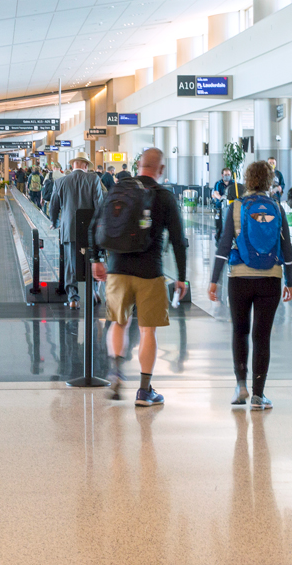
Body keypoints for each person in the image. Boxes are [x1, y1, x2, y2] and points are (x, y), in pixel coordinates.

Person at [90, 148, 187, 406]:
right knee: (147, 331)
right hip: (150, 272)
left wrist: (96, 260)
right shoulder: (164, 197)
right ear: (161, 170)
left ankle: (115, 371)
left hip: (117, 268)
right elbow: (178, 240)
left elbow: (94, 225)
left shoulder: (119, 189)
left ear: (137, 165)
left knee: (118, 323)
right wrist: (182, 278)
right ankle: (144, 391)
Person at [208, 160, 292, 409]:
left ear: (247, 180)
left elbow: (223, 247)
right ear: (269, 181)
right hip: (271, 279)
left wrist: (214, 280)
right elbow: (287, 247)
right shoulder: (277, 207)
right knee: (262, 336)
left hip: (239, 279)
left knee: (240, 331)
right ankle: (259, 394)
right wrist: (288, 278)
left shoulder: (235, 207)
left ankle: (240, 386)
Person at [49, 156, 106, 307]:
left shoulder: (60, 181)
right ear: (85, 165)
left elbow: (54, 206)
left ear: (73, 165)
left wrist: (54, 222)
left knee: (70, 263)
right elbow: (99, 205)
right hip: (90, 230)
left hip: (69, 229)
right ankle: (93, 291)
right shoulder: (93, 179)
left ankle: (73, 298)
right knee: (93, 259)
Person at [211, 167, 238, 241]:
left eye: (229, 174)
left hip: (230, 208)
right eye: (226, 174)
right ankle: (218, 240)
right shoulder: (218, 183)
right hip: (219, 207)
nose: (227, 176)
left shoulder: (233, 183)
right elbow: (215, 193)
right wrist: (222, 199)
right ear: (222, 175)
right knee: (219, 225)